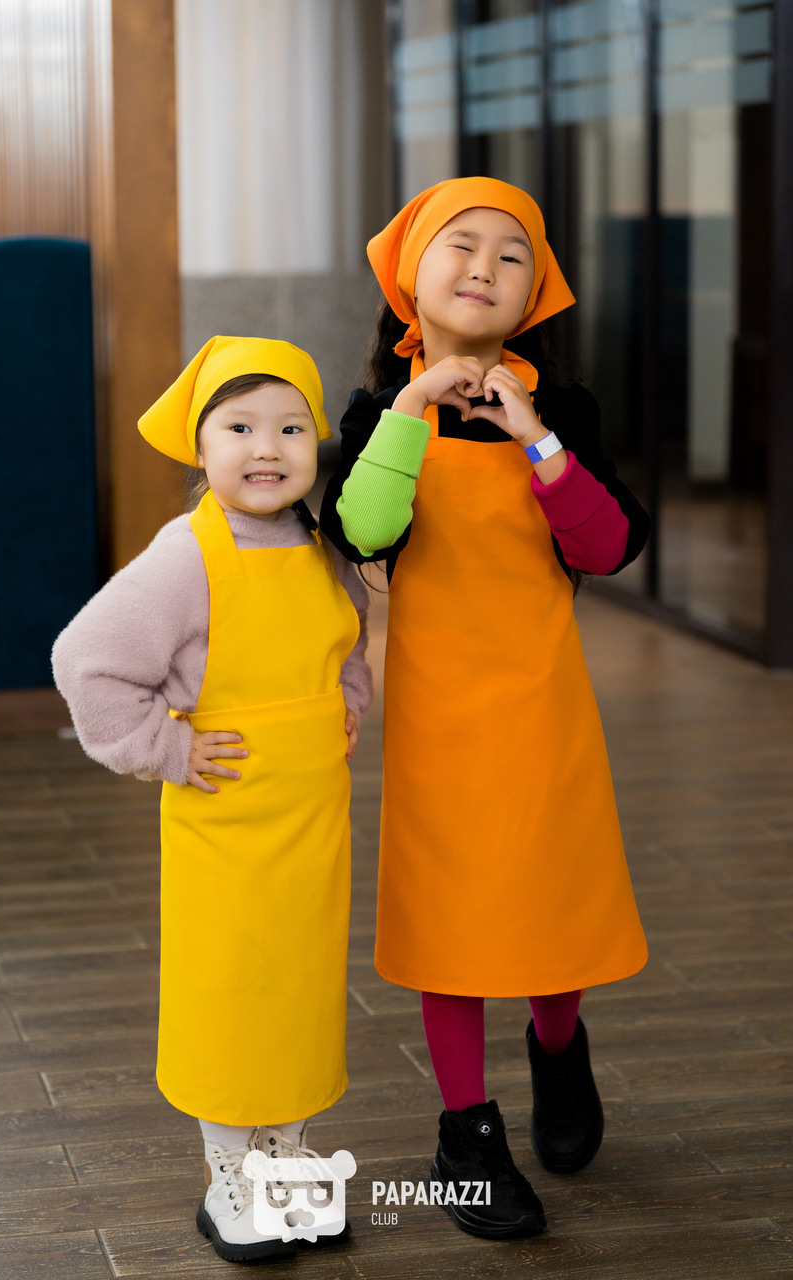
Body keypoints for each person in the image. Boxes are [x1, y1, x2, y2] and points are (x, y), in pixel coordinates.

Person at [320, 177, 648, 1240]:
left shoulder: (563, 411)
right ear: (407, 278)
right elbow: (363, 531)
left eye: (513, 255)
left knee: (553, 903)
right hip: (437, 718)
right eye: (460, 244)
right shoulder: (379, 412)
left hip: (545, 703)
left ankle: (557, 1048)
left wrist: (536, 437)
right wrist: (411, 412)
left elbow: (606, 544)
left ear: (533, 293)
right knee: (448, 923)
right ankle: (465, 1134)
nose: (484, 266)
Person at [53, 336, 371, 1263]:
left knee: (300, 989)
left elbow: (346, 639)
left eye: (291, 428)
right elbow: (86, 661)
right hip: (225, 823)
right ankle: (229, 1170)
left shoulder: (321, 547)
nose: (267, 447)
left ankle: (287, 1158)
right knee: (232, 991)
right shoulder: (185, 556)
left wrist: (348, 700)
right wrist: (166, 747)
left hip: (314, 816)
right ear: (200, 447)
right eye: (239, 428)